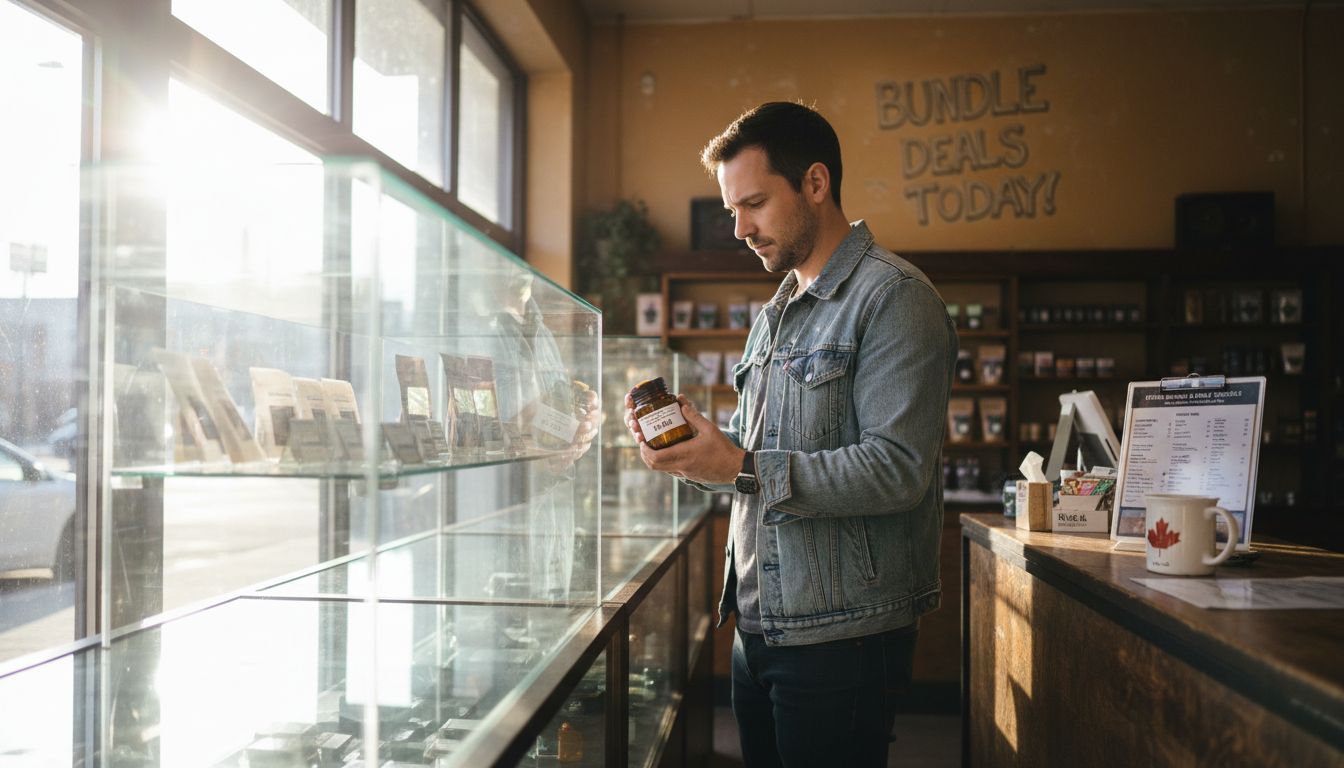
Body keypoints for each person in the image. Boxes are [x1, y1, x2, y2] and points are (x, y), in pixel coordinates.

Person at [624, 101, 956, 767]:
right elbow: (747, 454)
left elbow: (897, 470)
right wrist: (692, 448)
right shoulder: (772, 317)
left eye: (753, 205)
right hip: (757, 624)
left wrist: (739, 464)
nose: (740, 229)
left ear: (814, 183)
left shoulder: (896, 298)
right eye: (730, 212)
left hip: (844, 637)